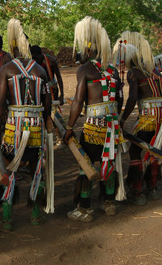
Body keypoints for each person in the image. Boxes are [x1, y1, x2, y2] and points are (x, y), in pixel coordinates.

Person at [0, 18, 51, 232]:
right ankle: (35, 215)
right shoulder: (40, 71)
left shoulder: (7, 69)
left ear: (13, 46)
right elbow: (47, 103)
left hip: (14, 127)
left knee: (11, 168)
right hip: (36, 128)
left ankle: (6, 220)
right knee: (36, 169)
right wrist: (46, 121)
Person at [63, 16, 125, 220]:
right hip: (112, 128)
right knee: (109, 160)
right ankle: (109, 204)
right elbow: (120, 100)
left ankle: (84, 209)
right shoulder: (113, 71)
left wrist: (69, 127)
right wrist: (117, 121)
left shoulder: (85, 69)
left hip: (93, 129)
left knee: (86, 166)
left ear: (88, 48)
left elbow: (78, 101)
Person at [119, 32, 162, 205]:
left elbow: (133, 98)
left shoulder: (134, 72)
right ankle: (153, 188)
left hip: (148, 120)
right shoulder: (156, 71)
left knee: (135, 152)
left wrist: (122, 119)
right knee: (155, 151)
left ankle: (138, 191)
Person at [30, 45, 65, 146]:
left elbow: (59, 77)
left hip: (51, 89)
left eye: (36, 58)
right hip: (39, 90)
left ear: (41, 54)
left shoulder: (51, 61)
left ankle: (60, 138)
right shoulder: (32, 63)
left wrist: (62, 95)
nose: (35, 60)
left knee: (53, 113)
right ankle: (42, 140)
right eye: (33, 58)